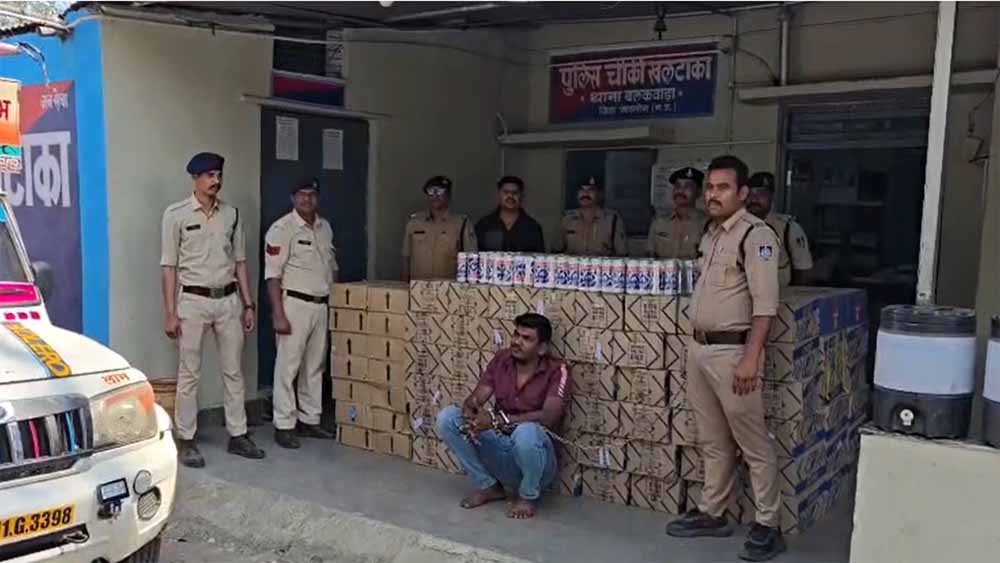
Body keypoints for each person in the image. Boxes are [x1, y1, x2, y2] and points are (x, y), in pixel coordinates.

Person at [665, 155, 785, 561]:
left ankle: (768, 523)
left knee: (752, 441)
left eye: (723, 188)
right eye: (710, 188)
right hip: (699, 349)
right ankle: (713, 511)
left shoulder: (756, 235)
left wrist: (751, 358)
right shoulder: (713, 234)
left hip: (733, 352)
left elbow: (765, 306)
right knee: (712, 438)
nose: (713, 195)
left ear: (743, 193)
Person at [160, 152, 266, 468]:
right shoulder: (176, 215)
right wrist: (170, 312)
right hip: (192, 301)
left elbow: (240, 262)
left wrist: (248, 304)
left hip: (228, 300)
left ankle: (238, 434)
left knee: (233, 370)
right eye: (209, 176)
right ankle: (186, 438)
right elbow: (169, 267)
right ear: (195, 179)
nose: (215, 181)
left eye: (218, 175)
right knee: (189, 372)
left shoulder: (231, 214)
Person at [436, 313, 571, 520]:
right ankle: (488, 486)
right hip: (501, 449)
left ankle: (528, 495)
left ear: (542, 348)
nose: (517, 342)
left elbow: (549, 416)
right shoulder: (502, 359)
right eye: (516, 335)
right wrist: (472, 412)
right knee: (448, 418)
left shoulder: (558, 370)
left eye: (526, 338)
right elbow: (477, 397)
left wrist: (498, 421)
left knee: (526, 432)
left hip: (536, 461)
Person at [264, 177, 338, 450]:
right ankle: (284, 424)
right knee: (288, 367)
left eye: (311, 194)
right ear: (293, 198)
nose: (307, 199)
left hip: (321, 304)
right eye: (301, 195)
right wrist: (278, 314)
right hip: (294, 305)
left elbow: (332, 268)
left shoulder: (324, 227)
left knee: (314, 366)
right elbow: (273, 276)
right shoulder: (282, 229)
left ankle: (310, 419)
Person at [402, 175, 477, 281]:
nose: (435, 196)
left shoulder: (462, 223)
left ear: (449, 195)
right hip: (418, 287)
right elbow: (406, 258)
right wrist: (405, 285)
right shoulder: (414, 222)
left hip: (449, 289)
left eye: (440, 191)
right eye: (430, 192)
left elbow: (471, 261)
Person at [746, 172, 813, 288]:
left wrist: (793, 296)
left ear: (771, 197)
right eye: (750, 194)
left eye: (761, 194)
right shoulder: (738, 226)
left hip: (781, 294)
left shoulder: (788, 228)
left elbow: (804, 272)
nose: (754, 199)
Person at [555, 176, 627, 256]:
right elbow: (556, 252)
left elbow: (622, 255)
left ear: (599, 194)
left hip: (602, 263)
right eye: (581, 189)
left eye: (591, 190)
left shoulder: (612, 219)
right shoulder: (566, 219)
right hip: (572, 264)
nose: (585, 193)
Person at [646, 166, 707, 259]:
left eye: (688, 186)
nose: (680, 190)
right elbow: (649, 258)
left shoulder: (707, 225)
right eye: (677, 186)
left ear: (699, 191)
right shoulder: (659, 223)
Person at [474, 176, 546, 252]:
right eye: (506, 192)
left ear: (521, 196)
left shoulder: (533, 228)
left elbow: (540, 257)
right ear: (499, 194)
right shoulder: (484, 225)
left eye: (515, 193)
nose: (510, 196)